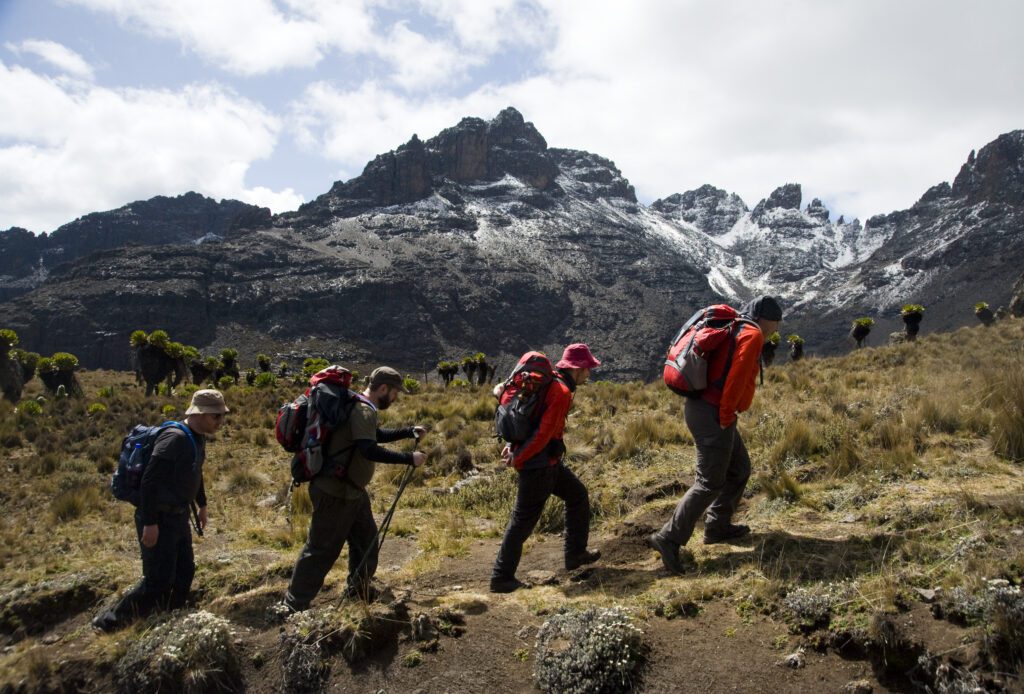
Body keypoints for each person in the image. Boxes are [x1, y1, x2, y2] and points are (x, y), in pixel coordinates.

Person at [648, 296, 783, 574]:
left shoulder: (736, 327)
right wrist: (725, 417)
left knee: (739, 468)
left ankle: (717, 526)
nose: (777, 327)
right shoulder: (752, 333)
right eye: (776, 321)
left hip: (704, 408)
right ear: (766, 319)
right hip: (715, 413)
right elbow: (735, 379)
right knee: (709, 482)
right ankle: (668, 538)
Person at [283, 366, 426, 611]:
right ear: (383, 388)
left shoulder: (357, 405)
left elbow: (373, 435)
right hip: (336, 493)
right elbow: (367, 449)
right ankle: (293, 605)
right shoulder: (362, 410)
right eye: (394, 393)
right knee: (321, 550)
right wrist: (408, 458)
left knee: (365, 539)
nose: (395, 398)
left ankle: (358, 591)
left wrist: (407, 431)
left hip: (352, 492)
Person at [93, 389, 228, 631]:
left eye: (221, 416)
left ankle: (170, 616)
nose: (220, 422)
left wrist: (202, 505)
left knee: (185, 570)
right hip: (159, 518)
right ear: (200, 414)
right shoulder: (174, 439)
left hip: (178, 516)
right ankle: (109, 622)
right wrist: (150, 522)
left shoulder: (198, 437)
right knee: (157, 580)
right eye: (216, 416)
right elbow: (150, 481)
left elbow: (195, 472)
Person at [490, 343, 603, 593]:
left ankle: (575, 554)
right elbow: (542, 434)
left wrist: (514, 446)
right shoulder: (560, 391)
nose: (590, 374)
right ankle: (501, 578)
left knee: (577, 495)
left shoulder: (550, 386)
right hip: (538, 467)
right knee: (521, 523)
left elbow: (529, 421)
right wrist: (519, 457)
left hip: (547, 464)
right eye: (588, 369)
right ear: (577, 369)